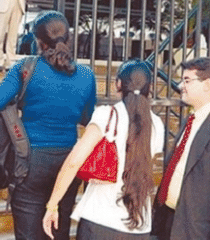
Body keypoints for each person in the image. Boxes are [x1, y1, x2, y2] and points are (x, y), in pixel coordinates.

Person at [0, 11, 97, 240]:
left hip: (30, 161)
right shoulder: (86, 75)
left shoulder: (26, 68)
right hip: (68, 161)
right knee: (58, 231)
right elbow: (87, 118)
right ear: (69, 38)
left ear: (39, 41)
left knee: (28, 233)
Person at [41, 60, 165, 239]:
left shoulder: (107, 115)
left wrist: (52, 205)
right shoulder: (157, 124)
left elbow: (74, 161)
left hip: (100, 220)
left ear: (118, 85)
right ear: (150, 87)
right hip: (140, 225)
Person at [151, 57, 210, 240]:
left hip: (197, 230)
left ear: (207, 84)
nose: (180, 86)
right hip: (170, 220)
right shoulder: (190, 121)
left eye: (187, 80)